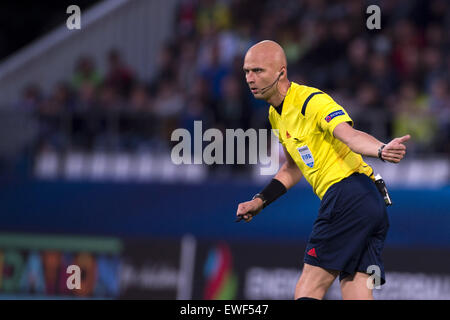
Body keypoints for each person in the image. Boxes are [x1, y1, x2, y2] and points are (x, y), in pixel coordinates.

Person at [236, 40, 410, 300]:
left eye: (258, 71)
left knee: (309, 288)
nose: (250, 78)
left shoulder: (311, 101)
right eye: (247, 71)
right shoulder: (275, 115)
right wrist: (261, 200)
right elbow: (293, 167)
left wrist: (382, 150)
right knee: (356, 292)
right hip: (368, 203)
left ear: (281, 72)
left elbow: (350, 136)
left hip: (347, 195)